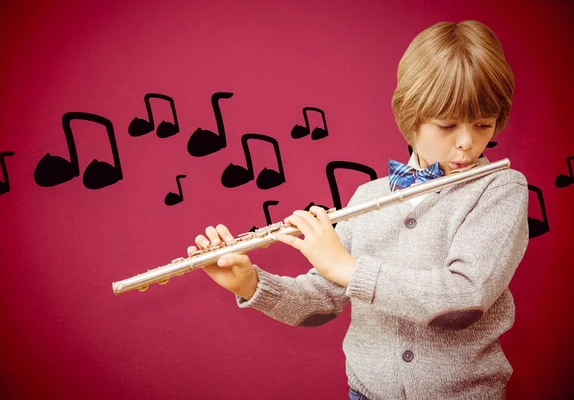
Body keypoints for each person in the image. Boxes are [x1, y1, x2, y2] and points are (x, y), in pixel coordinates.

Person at [187, 20, 529, 399]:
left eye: (483, 125)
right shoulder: (368, 197)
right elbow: (322, 299)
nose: (467, 143)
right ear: (411, 116)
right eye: (447, 125)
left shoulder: (500, 189)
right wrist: (252, 283)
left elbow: (465, 296)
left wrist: (348, 268)